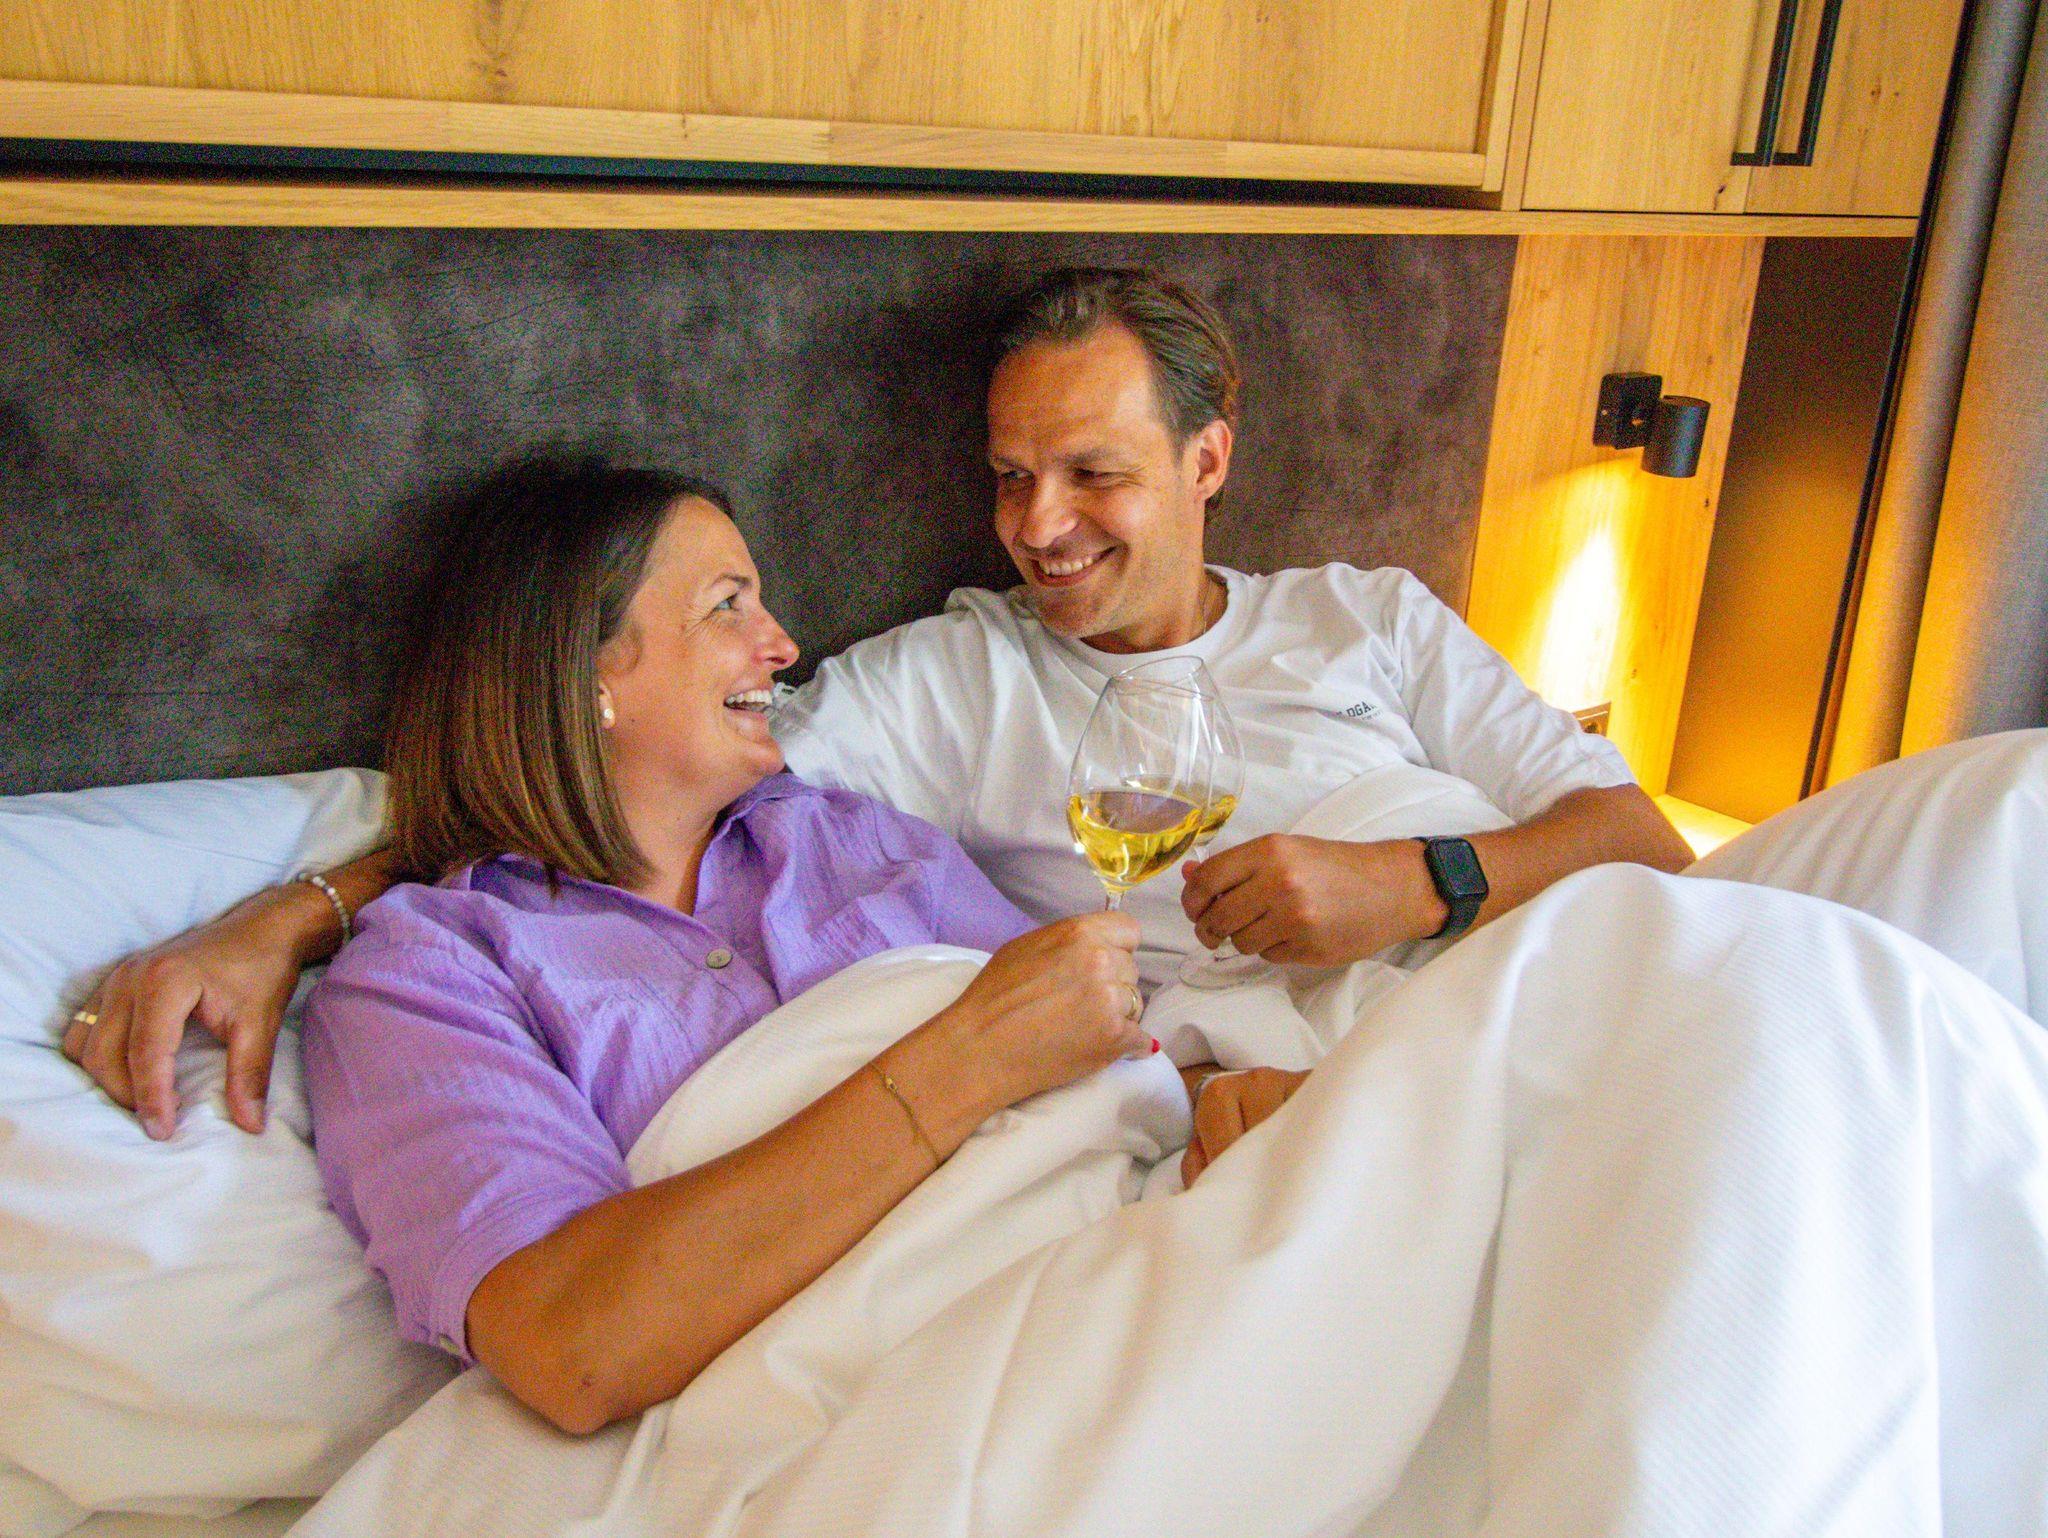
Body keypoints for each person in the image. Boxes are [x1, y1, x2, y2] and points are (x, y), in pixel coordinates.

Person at [66, 265, 1691, 1177]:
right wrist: (292, 910)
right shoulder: (949, 683)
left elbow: (1639, 836)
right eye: (1010, 474)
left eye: (1094, 473)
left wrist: (1418, 880)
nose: (1038, 525)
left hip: (1557, 963)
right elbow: (598, 773)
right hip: (1352, 1085)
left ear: (1208, 460)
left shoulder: (1370, 615)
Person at [268, 456, 1151, 1434]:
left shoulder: (857, 838)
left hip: (1095, 1283)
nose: (782, 645)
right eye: (728, 605)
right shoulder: (428, 976)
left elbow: (1104, 1049)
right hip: (875, 1410)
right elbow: (572, 1344)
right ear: (587, 672)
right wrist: (966, 1059)